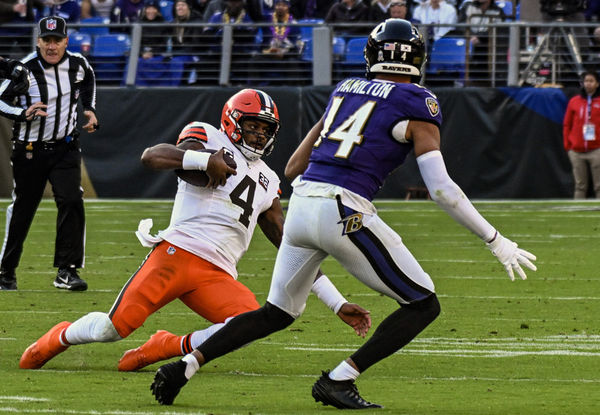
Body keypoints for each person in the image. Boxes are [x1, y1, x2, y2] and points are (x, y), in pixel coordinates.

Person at [149, 19, 537, 409]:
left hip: (301, 207)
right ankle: (340, 378)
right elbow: (441, 189)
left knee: (276, 313)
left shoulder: (345, 89)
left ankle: (185, 366)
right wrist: (496, 240)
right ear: (418, 58)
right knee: (423, 304)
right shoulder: (419, 102)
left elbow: (293, 166)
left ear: (372, 54)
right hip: (344, 209)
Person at [18, 88, 371, 371]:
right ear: (233, 122)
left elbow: (291, 246)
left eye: (266, 129)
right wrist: (206, 159)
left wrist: (337, 303)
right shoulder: (209, 137)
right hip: (175, 255)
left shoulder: (268, 179)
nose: (259, 134)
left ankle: (167, 345)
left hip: (217, 274)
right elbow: (152, 157)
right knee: (111, 329)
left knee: (247, 326)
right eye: (253, 126)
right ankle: (59, 336)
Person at [0, 16, 98, 292]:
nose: (52, 46)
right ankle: (6, 270)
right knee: (23, 209)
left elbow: (88, 79)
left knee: (71, 200)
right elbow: (1, 100)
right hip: (30, 149)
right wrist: (22, 112)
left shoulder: (78, 64)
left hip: (65, 147)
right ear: (38, 41)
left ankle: (67, 271)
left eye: (57, 40)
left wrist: (89, 109)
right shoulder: (25, 69)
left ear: (66, 41)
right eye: (47, 40)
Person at [563, 70, 600, 198]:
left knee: (599, 185)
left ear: (597, 84)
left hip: (596, 149)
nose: (588, 84)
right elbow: (567, 124)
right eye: (586, 81)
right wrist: (568, 145)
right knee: (580, 185)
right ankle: (577, 212)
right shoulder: (574, 101)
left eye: (591, 81)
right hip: (577, 150)